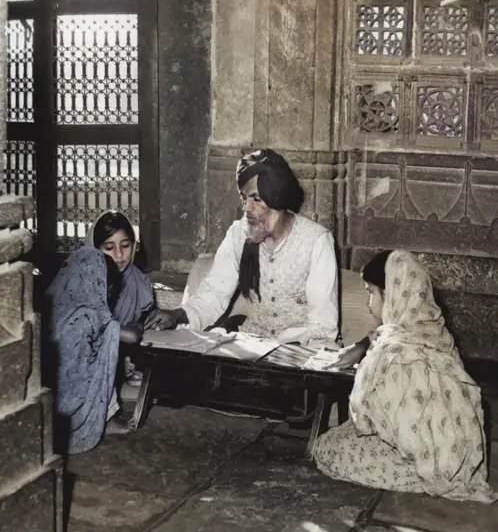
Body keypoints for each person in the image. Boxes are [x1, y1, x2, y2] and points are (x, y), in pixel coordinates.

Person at [314, 250, 497, 503]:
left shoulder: (395, 351)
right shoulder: (434, 329)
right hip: (460, 450)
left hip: (426, 458)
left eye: (370, 293)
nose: (369, 304)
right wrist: (363, 348)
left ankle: (427, 477)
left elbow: (366, 420)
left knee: (327, 447)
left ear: (391, 296)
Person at [147, 148, 339, 346]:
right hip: (250, 345)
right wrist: (179, 314)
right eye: (244, 198)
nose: (247, 208)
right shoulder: (238, 234)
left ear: (277, 197)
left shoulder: (316, 241)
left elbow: (322, 325)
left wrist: (276, 345)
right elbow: (214, 294)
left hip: (300, 348)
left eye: (256, 198)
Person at [46, 247, 143, 454]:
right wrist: (139, 325)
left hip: (50, 405)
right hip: (72, 408)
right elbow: (132, 337)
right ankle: (101, 421)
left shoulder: (54, 304)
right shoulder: (88, 314)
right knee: (109, 339)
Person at [86, 210, 172, 383]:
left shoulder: (137, 282)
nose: (119, 255)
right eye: (109, 248)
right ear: (95, 249)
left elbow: (138, 329)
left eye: (125, 246)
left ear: (134, 245)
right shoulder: (84, 281)